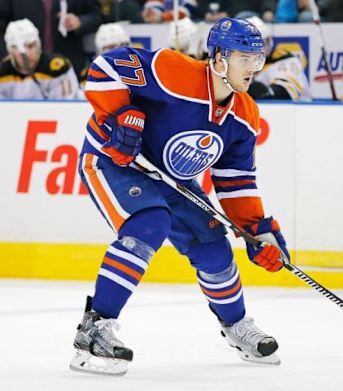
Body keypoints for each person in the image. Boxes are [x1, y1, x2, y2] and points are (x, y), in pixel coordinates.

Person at [70, 17, 290, 376]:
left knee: (213, 245)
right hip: (113, 160)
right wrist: (120, 114)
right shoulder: (172, 71)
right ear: (219, 59)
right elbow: (104, 68)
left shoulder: (246, 115)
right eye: (243, 58)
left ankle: (236, 326)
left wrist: (256, 230)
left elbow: (236, 182)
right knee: (148, 224)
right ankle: (94, 329)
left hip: (172, 180)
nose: (252, 68)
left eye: (257, 58)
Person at [0, 0, 103, 81]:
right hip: (22, 66)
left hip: (69, 62)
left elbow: (97, 16)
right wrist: (7, 52)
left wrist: (80, 21)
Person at [0, 18, 81, 100]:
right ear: (11, 52)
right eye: (20, 51)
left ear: (38, 45)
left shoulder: (57, 68)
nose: (27, 54)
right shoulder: (3, 72)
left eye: (31, 46)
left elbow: (65, 107)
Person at [245, 16, 312, 101]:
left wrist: (268, 92)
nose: (263, 47)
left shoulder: (286, 60)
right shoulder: (242, 66)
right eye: (256, 44)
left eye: (265, 42)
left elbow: (288, 91)